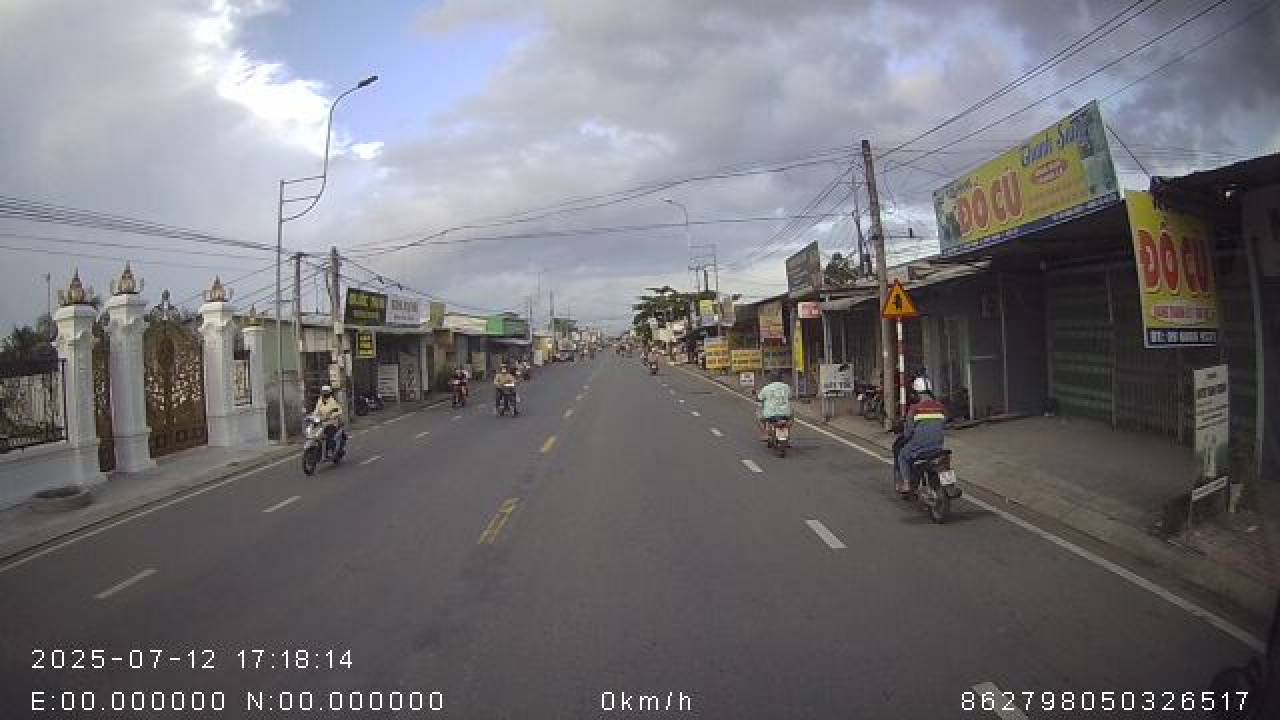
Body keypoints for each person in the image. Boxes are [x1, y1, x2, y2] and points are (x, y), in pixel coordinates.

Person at [895, 376, 947, 493]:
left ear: (917, 393)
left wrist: (906, 434)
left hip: (919, 447)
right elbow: (944, 423)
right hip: (938, 446)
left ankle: (907, 484)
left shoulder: (914, 409)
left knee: (902, 456)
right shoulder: (940, 406)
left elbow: (908, 433)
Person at [755, 371, 792, 441]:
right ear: (781, 378)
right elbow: (790, 397)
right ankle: (788, 434)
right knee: (791, 417)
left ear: (771, 379)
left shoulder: (766, 388)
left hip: (770, 414)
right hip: (785, 414)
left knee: (758, 415)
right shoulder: (787, 387)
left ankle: (766, 433)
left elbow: (759, 398)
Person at [312, 385, 346, 456]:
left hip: (331, 422)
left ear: (329, 392)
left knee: (329, 435)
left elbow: (338, 410)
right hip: (321, 423)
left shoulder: (332, 401)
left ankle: (330, 450)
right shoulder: (320, 400)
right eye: (323, 391)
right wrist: (313, 416)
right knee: (314, 433)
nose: (325, 393)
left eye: (326, 391)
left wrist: (331, 416)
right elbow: (316, 410)